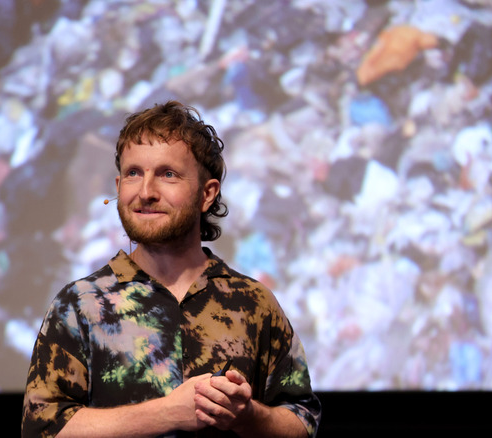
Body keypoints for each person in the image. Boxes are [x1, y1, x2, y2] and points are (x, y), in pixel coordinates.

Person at [21, 101, 321, 437]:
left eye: (168, 174)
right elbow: (41, 429)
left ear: (207, 194)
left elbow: (302, 423)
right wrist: (165, 414)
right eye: (134, 173)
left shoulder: (253, 303)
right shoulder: (80, 305)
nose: (146, 192)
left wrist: (248, 415)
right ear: (119, 187)